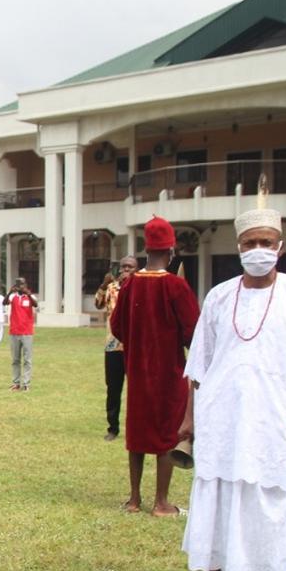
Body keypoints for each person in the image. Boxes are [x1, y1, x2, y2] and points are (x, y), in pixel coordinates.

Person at [180, 205, 286, 571]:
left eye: (265, 242)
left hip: (273, 418)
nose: (257, 249)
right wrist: (189, 420)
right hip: (221, 417)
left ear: (279, 247)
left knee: (268, 500)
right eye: (250, 243)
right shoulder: (219, 297)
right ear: (238, 247)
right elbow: (199, 365)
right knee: (216, 494)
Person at [110, 216, 199, 516]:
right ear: (171, 251)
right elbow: (193, 333)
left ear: (145, 250)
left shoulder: (131, 285)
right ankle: (161, 502)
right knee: (166, 433)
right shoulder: (176, 286)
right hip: (170, 372)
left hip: (136, 371)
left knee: (137, 431)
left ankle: (134, 499)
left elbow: (117, 326)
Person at [95, 256, 137, 441]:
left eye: (130, 267)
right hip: (113, 346)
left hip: (136, 346)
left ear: (137, 269)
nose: (126, 269)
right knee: (113, 389)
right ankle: (113, 428)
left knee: (136, 390)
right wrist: (104, 286)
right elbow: (98, 304)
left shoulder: (141, 288)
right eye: (123, 267)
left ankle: (136, 428)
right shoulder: (112, 288)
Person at [8, 278, 37, 391]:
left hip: (27, 332)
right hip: (14, 332)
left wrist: (28, 294)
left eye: (23, 284)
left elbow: (35, 305)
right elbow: (4, 302)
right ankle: (16, 383)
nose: (21, 286)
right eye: (19, 284)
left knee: (27, 360)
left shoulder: (30, 297)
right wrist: (10, 292)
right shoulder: (13, 297)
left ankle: (26, 383)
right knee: (15, 359)